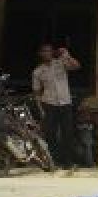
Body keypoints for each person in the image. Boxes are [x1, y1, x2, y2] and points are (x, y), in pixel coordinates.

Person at [31, 42, 80, 172]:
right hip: (49, 105)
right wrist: (40, 109)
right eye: (44, 51)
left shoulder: (60, 63)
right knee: (51, 134)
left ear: (53, 52)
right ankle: (54, 161)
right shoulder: (37, 71)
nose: (47, 53)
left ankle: (68, 163)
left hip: (65, 103)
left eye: (49, 51)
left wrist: (67, 55)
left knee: (67, 134)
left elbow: (77, 66)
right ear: (40, 54)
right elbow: (36, 93)